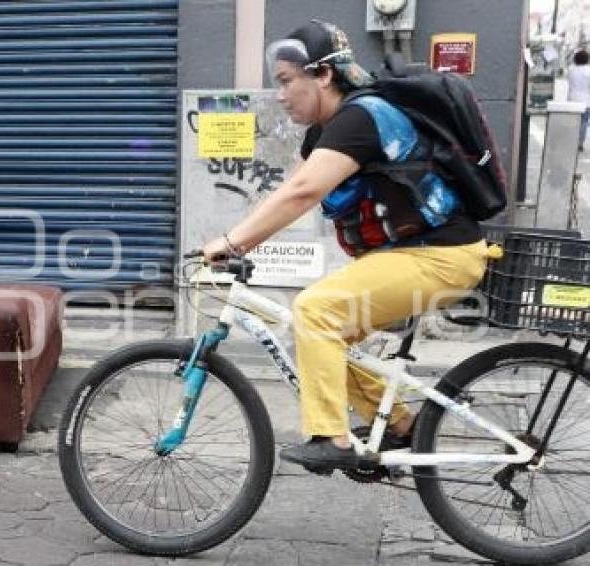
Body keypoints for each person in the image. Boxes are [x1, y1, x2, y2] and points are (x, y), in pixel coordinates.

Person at [202, 20, 491, 473]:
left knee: (316, 311)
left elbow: (303, 194)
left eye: (285, 81)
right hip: (416, 255)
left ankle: (329, 438)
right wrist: (240, 241)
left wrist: (233, 243)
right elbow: (289, 189)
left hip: (442, 256)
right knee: (328, 339)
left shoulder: (361, 118)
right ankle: (402, 426)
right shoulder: (327, 131)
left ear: (323, 76)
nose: (280, 95)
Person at [568, 48, 590, 152]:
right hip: (585, 101)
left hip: (572, 99)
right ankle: (580, 143)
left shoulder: (571, 70)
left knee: (573, 123)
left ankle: (571, 141)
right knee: (584, 123)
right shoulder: (588, 71)